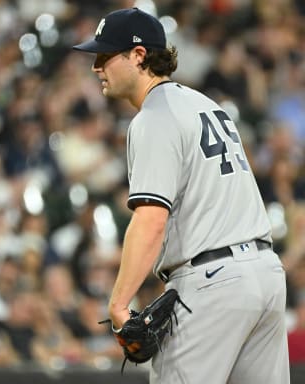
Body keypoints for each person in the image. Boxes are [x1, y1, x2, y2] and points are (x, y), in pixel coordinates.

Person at [72, 7, 289, 384]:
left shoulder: (154, 117)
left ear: (138, 56)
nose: (96, 67)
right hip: (265, 274)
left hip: (213, 282)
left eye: (105, 55)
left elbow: (151, 218)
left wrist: (119, 303)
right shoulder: (207, 105)